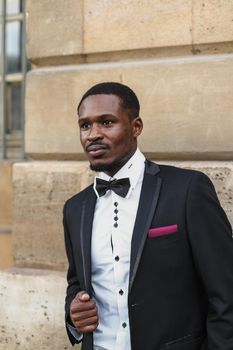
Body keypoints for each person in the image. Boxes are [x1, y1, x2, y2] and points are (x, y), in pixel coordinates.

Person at [63, 82, 233, 350]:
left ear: (136, 127)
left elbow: (226, 293)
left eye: (107, 123)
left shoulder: (187, 190)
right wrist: (74, 313)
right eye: (85, 125)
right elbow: (77, 282)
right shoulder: (75, 208)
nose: (93, 134)